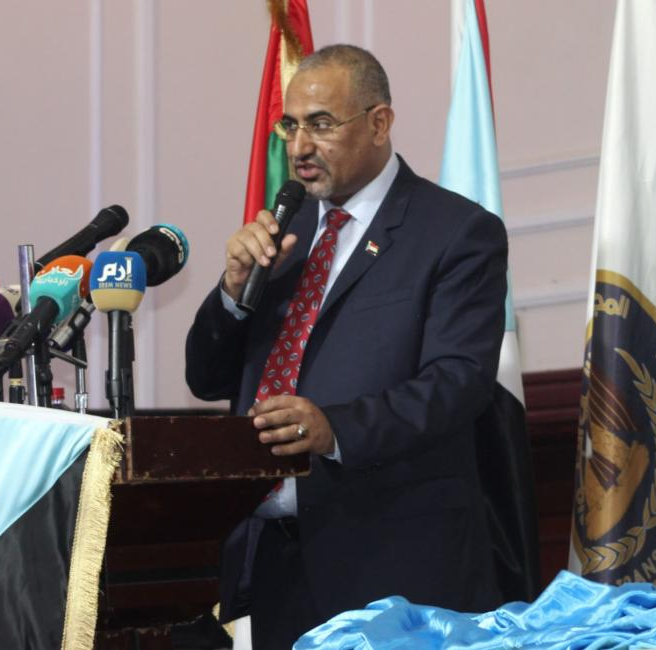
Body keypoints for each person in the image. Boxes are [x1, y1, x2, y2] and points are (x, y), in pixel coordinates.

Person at [185, 44, 506, 648]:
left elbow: (458, 383)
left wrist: (336, 428)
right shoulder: (286, 232)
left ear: (379, 123)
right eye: (291, 126)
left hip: (396, 570)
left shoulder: (455, 232)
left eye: (322, 124)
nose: (300, 147)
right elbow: (206, 378)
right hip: (278, 567)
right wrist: (232, 291)